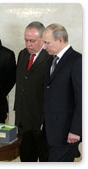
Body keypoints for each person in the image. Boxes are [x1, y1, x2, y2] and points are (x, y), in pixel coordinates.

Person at [42, 23, 82, 162]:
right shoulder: (50, 60)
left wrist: (77, 130)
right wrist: (44, 121)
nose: (44, 46)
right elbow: (48, 94)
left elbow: (82, 99)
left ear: (60, 40)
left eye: (47, 43)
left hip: (67, 133)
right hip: (50, 131)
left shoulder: (78, 60)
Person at [14, 21, 50, 162]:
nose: (28, 44)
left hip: (41, 122)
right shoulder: (23, 54)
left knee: (45, 159)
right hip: (23, 120)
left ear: (43, 39)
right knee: (26, 159)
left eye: (32, 41)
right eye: (26, 40)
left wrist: (46, 119)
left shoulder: (50, 57)